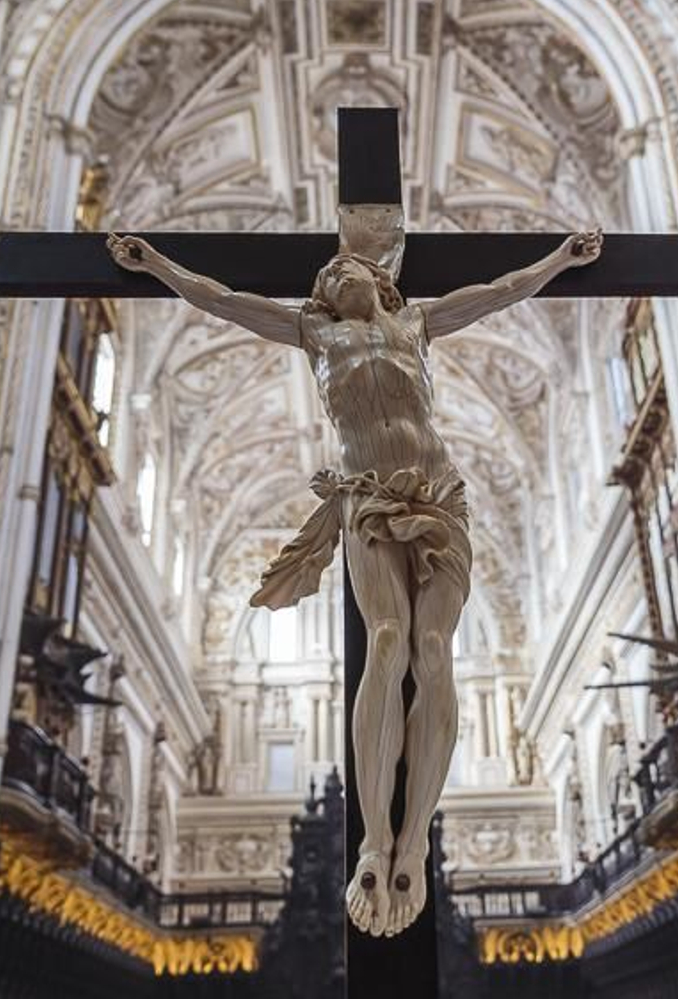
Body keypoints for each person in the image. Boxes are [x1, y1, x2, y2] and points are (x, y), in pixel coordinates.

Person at [107, 228, 602, 936]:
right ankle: (374, 839)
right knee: (389, 639)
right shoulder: (315, 334)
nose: (335, 276)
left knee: (435, 650)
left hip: (439, 493)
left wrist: (560, 259)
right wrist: (156, 263)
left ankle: (414, 842)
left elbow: (500, 293)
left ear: (380, 280)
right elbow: (222, 299)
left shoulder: (416, 323)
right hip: (365, 495)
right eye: (327, 277)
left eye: (346, 269)